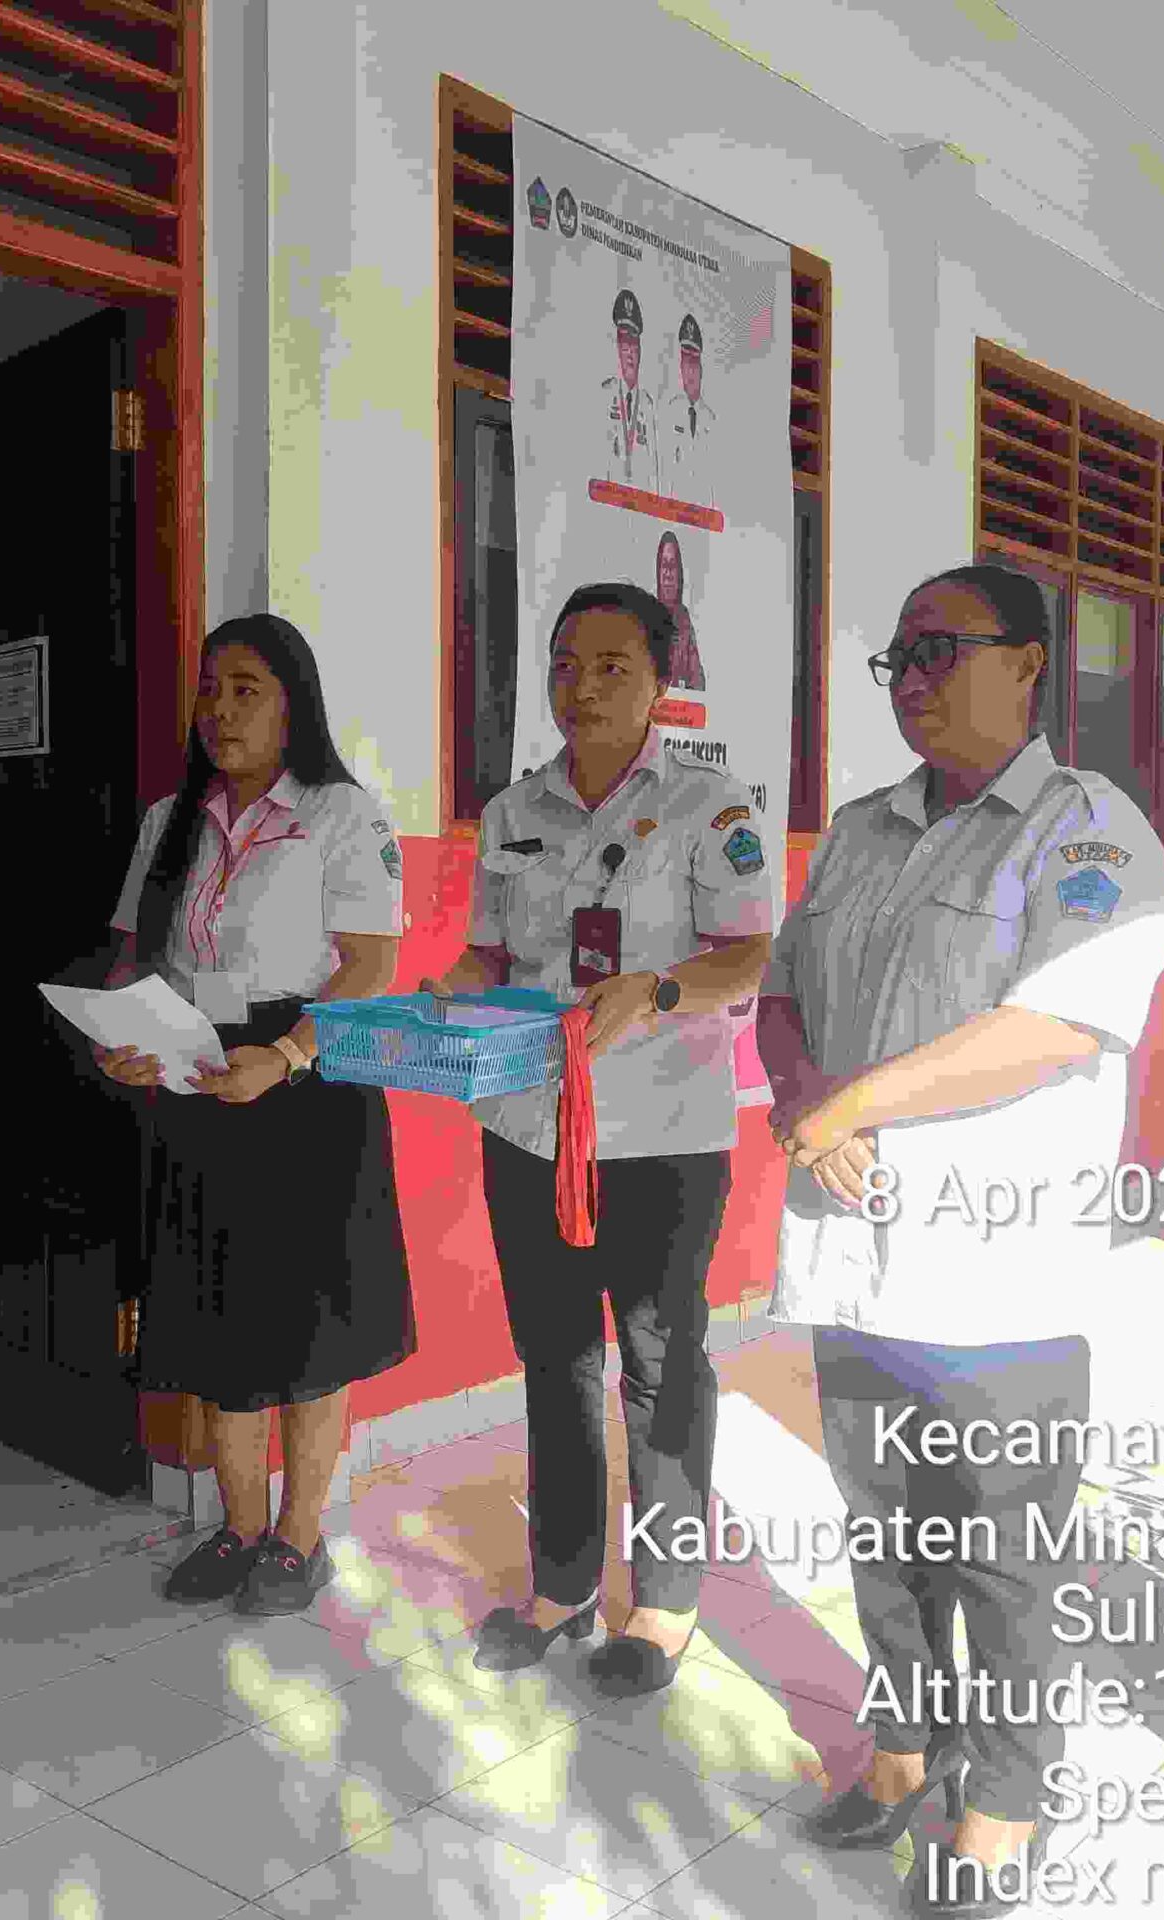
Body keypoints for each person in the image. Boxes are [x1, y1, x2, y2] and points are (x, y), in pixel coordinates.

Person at [758, 561, 1164, 1919]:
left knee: (1002, 1564)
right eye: (899, 656)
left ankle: (1004, 1802)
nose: (913, 679)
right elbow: (781, 995)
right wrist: (804, 1100)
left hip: (999, 1280)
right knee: (882, 1538)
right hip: (853, 1259)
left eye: (942, 649)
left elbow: (1053, 1024)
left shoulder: (1087, 832)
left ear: (1030, 664)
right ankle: (903, 1750)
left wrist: (854, 1104)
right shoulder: (861, 831)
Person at [424, 582, 777, 1696]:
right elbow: (491, 955)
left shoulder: (712, 807)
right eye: (565, 664)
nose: (580, 687)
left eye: (612, 666)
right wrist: (443, 994)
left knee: (660, 1366)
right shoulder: (512, 811)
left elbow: (749, 955)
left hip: (662, 1134)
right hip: (530, 1126)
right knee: (555, 1357)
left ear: (663, 684)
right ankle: (565, 1584)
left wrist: (657, 990)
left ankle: (664, 1603)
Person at [93, 614, 415, 1615]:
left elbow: (369, 965)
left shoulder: (339, 815)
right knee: (212, 1315)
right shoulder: (168, 820)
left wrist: (285, 1057)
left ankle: (299, 1537)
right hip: (197, 1072)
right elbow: (134, 955)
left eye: (246, 690)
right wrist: (120, 1033)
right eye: (209, 689)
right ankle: (239, 1527)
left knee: (309, 1325)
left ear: (292, 704)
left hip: (309, 1078)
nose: (221, 711)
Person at [601, 289, 655, 487]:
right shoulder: (604, 395)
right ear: (617, 346)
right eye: (624, 343)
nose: (630, 352)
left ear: (640, 350)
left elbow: (654, 472)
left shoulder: (647, 405)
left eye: (634, 344)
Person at [657, 313, 715, 493]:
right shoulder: (669, 413)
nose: (689, 370)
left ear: (701, 369)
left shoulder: (711, 420)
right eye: (685, 361)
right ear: (680, 367)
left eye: (694, 362)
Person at [655, 532, 704, 691]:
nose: (668, 573)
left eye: (672, 565)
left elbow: (697, 679)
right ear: (658, 571)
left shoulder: (683, 619)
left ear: (679, 573)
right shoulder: (649, 613)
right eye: (664, 565)